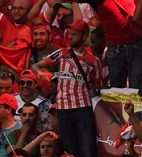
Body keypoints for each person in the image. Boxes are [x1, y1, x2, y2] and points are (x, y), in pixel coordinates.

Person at [34, 20, 100, 157]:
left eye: (74, 34)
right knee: (70, 151)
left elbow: (99, 85)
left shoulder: (94, 61)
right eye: (70, 34)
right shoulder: (62, 53)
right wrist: (40, 72)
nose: (70, 37)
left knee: (88, 150)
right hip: (63, 109)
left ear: (84, 37)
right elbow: (36, 65)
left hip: (84, 109)